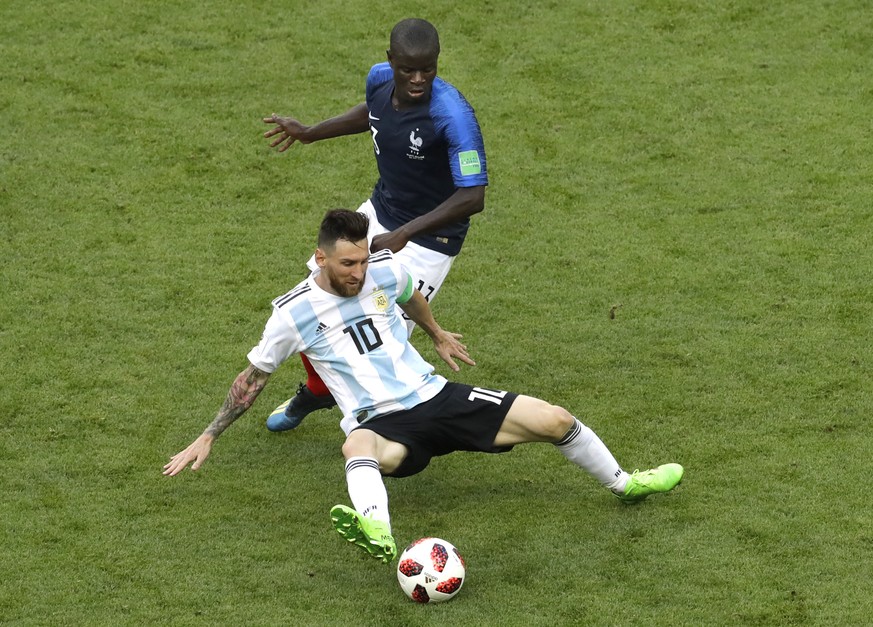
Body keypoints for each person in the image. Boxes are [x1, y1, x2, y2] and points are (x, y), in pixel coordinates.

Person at [164, 209, 685, 564]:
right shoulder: (292, 313)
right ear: (320, 258)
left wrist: (435, 333)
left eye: (364, 259)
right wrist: (210, 434)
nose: (359, 272)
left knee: (556, 419)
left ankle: (626, 484)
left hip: (435, 396)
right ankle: (377, 530)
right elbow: (251, 380)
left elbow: (411, 292)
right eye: (349, 263)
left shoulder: (384, 271)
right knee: (356, 444)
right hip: (382, 423)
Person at [261, 18, 488, 432]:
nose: (418, 80)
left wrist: (404, 234)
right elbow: (374, 113)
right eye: (408, 70)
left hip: (429, 241)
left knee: (375, 331)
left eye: (428, 70)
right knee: (319, 293)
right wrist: (311, 133)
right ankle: (317, 390)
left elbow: (473, 197)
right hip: (379, 212)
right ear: (391, 62)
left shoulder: (453, 114)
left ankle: (345, 410)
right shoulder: (379, 80)